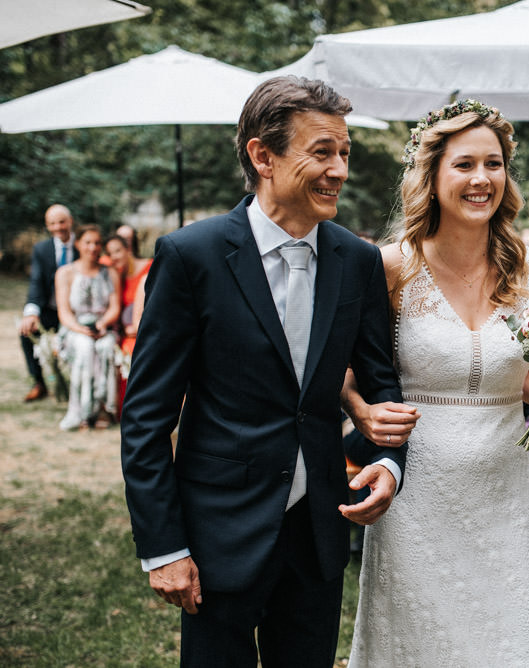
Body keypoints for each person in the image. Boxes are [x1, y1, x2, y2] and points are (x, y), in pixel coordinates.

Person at [121, 76, 409, 667]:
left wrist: (387, 464)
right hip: (218, 532)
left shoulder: (357, 261)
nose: (340, 170)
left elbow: (383, 385)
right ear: (263, 156)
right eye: (322, 151)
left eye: (344, 153)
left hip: (320, 532)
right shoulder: (190, 255)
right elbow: (146, 418)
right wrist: (163, 546)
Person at [341, 99, 529, 667]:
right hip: (416, 490)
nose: (481, 179)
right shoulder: (392, 265)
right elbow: (344, 372)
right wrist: (361, 410)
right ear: (433, 174)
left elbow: (524, 374)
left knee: (505, 644)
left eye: (493, 164)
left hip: (503, 490)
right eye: (465, 164)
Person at [54, 224, 121, 430]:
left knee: (106, 347)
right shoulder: (65, 273)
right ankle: (81, 412)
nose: (93, 247)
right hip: (74, 329)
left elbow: (114, 307)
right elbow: (64, 312)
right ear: (78, 244)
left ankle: (104, 409)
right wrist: (80, 328)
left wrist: (102, 324)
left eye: (97, 243)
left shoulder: (109, 273)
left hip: (103, 327)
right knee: (84, 347)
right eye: (88, 242)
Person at [18, 203, 78, 402]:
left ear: (70, 222)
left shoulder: (83, 246)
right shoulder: (41, 249)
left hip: (76, 311)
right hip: (50, 309)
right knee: (25, 331)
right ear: (47, 225)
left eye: (61, 222)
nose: (57, 227)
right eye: (52, 223)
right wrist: (31, 312)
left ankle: (77, 386)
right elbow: (36, 281)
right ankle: (38, 383)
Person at [104, 234, 152, 355]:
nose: (113, 257)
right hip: (127, 335)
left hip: (147, 330)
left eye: (117, 251)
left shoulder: (150, 268)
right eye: (110, 254)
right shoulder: (117, 278)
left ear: (128, 249)